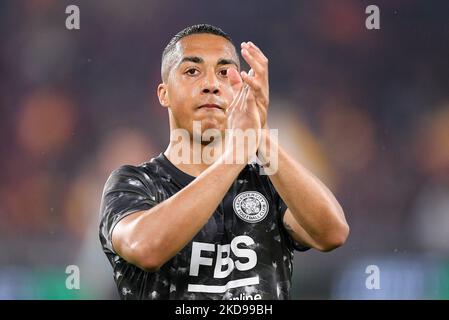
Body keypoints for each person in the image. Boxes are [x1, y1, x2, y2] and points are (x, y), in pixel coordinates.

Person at [99, 24, 349, 300]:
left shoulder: (269, 183)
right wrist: (236, 155)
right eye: (192, 71)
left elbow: (332, 233)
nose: (211, 84)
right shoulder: (135, 183)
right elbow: (146, 248)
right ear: (164, 94)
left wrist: (260, 134)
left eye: (224, 72)